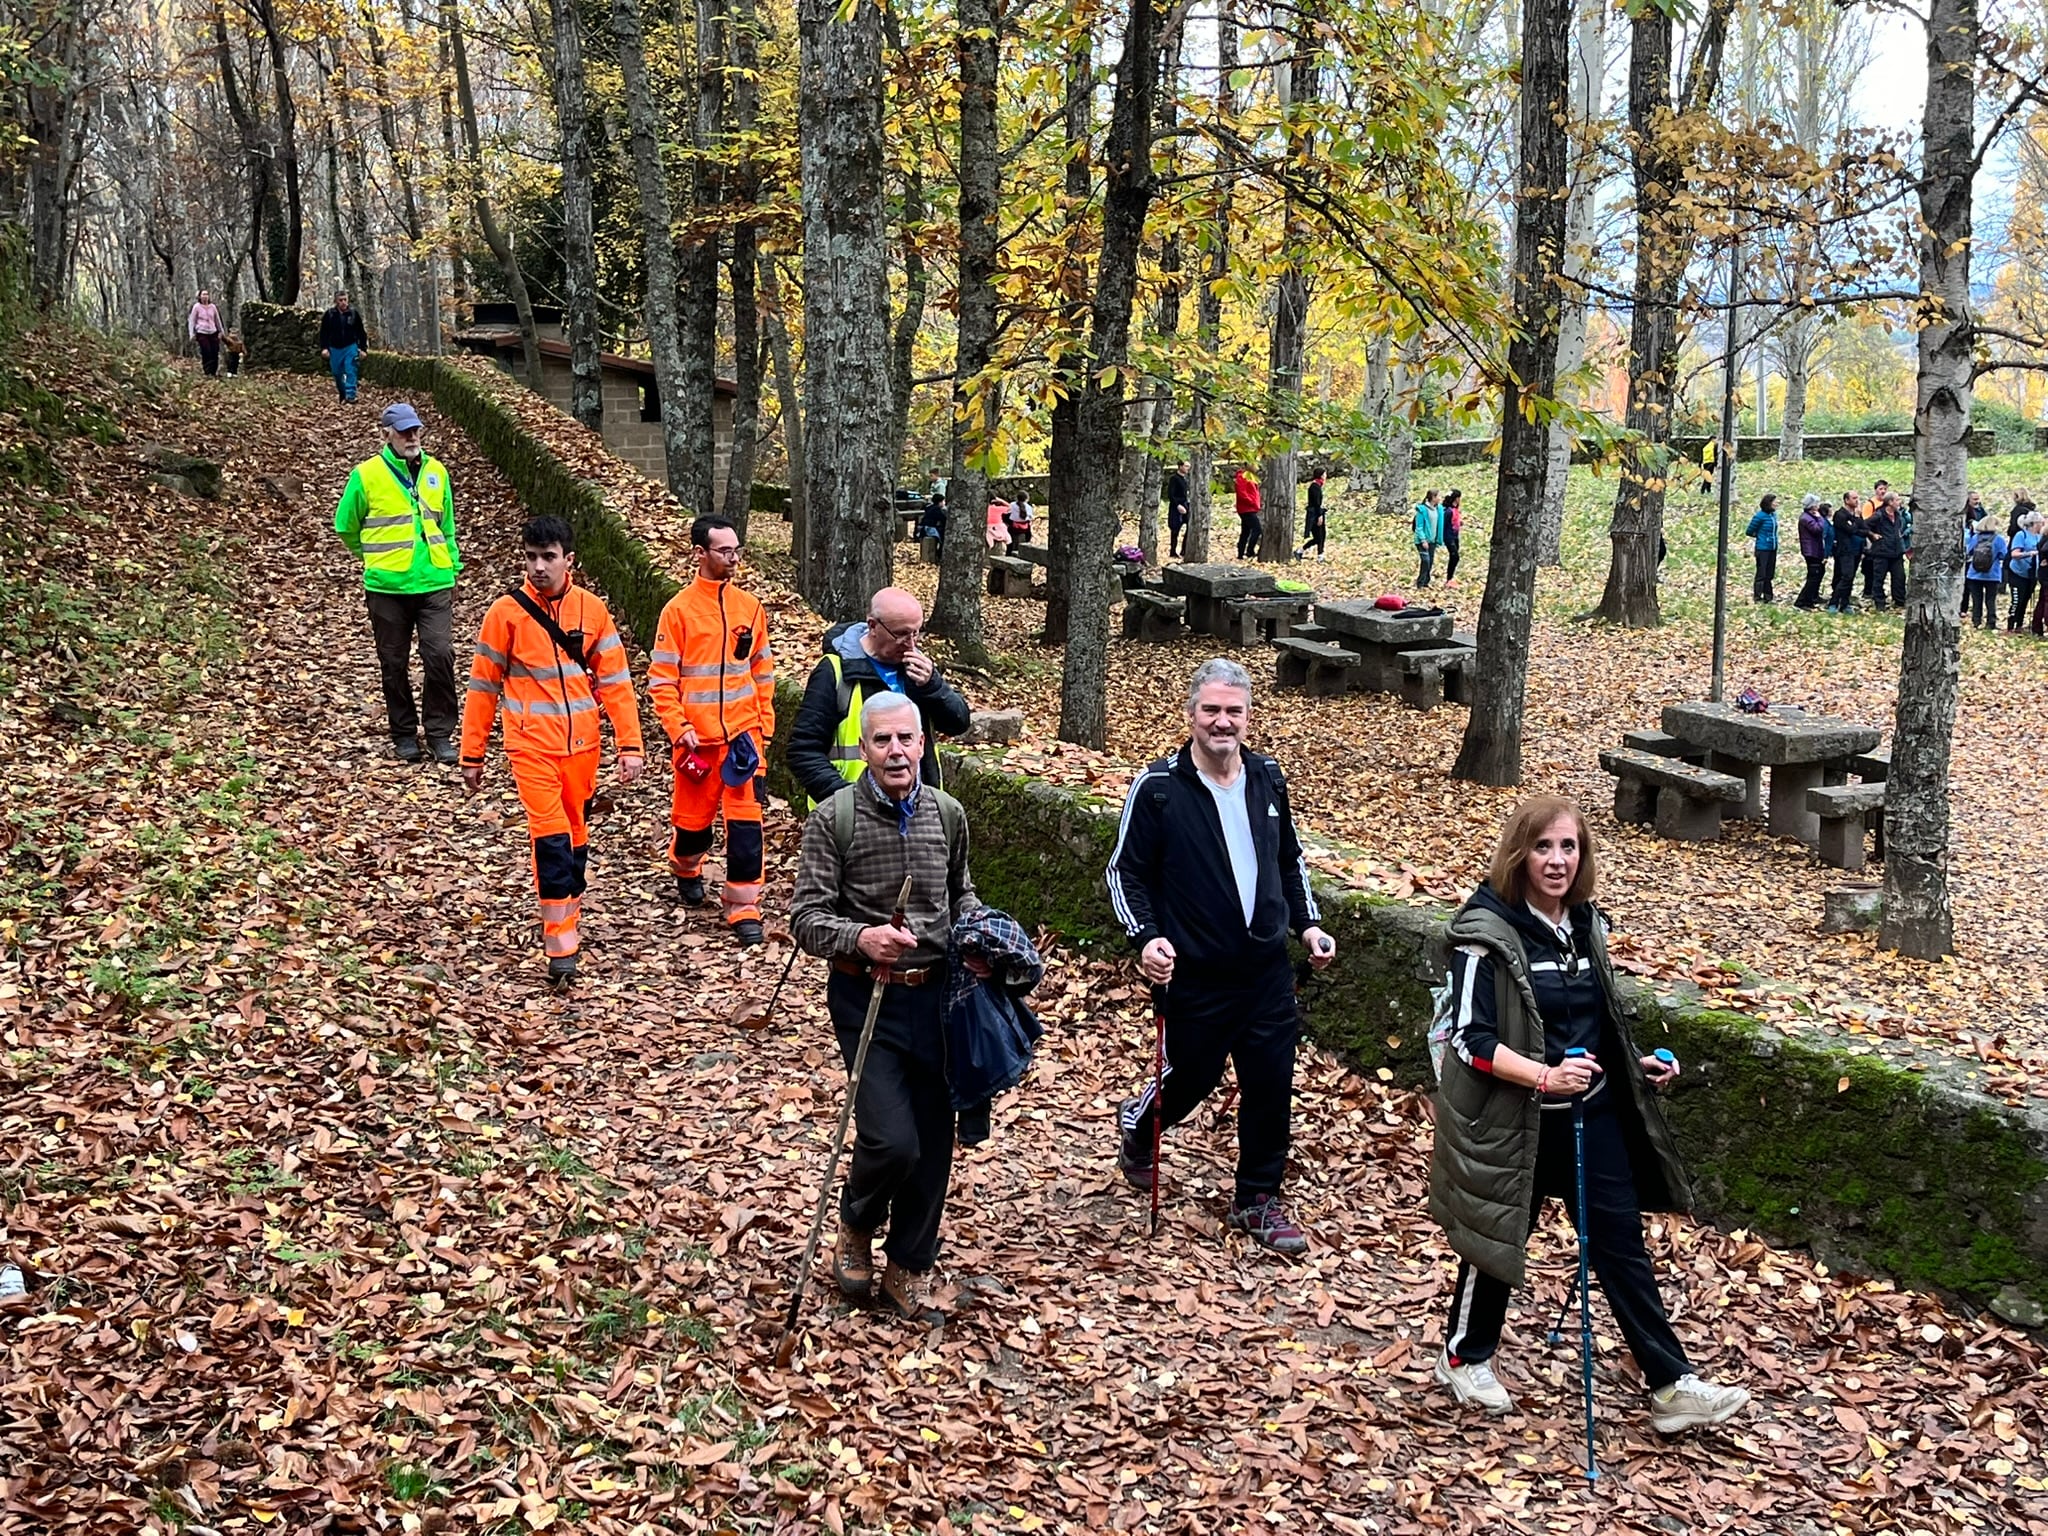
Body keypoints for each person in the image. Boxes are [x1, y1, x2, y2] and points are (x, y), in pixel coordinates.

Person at [1430, 796, 1750, 1435]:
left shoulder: (1585, 925)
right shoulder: (1484, 933)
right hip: (1514, 1115)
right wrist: (1544, 1076)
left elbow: (1597, 1021)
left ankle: (1671, 1385)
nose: (1557, 861)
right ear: (1520, 854)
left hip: (1590, 1114)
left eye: (1569, 848)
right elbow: (1470, 1037)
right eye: (1544, 847)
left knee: (1619, 1244)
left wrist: (1637, 1065)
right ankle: (1465, 1357)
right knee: (1498, 1236)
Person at [1107, 658, 1337, 1255]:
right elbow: (1125, 872)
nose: (1222, 722)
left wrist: (1309, 926)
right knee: (1194, 1075)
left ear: (1248, 716)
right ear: (1190, 715)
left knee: (1270, 1081)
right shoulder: (1158, 788)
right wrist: (1147, 937)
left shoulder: (1268, 778)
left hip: (1265, 971)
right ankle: (1142, 1124)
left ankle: (1257, 1197)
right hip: (1196, 973)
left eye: (1233, 711)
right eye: (1211, 710)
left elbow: (1290, 861)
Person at [790, 692, 983, 1324]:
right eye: (882, 741)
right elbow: (806, 920)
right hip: (864, 996)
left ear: (923, 743)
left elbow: (962, 897)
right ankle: (856, 1220)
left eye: (906, 739)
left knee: (933, 1142)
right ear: (865, 749)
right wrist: (862, 938)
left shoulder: (948, 814)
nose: (896, 751)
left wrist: (983, 940)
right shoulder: (835, 820)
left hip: (938, 999)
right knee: (892, 1140)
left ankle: (908, 1262)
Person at [459, 517, 645, 985]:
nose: (539, 566)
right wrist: (472, 753)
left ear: (569, 560)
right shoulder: (506, 614)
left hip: (583, 746)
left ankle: (569, 916)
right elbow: (483, 687)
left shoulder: (592, 611)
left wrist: (630, 744)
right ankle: (560, 945)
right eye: (531, 557)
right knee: (552, 836)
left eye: (548, 557)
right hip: (530, 746)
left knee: (576, 835)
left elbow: (617, 682)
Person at [647, 515, 777, 946]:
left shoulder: (750, 607)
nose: (734, 558)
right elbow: (662, 679)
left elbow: (762, 669)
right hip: (697, 744)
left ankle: (744, 909)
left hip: (743, 738)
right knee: (693, 828)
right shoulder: (678, 611)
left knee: (746, 831)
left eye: (737, 549)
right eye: (725, 550)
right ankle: (685, 866)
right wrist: (677, 726)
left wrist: (765, 726)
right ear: (700, 554)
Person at [334, 402, 462, 763]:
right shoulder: (366, 475)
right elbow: (346, 526)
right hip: (387, 587)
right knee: (393, 661)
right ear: (385, 434)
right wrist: (372, 558)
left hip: (434, 580)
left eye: (416, 429)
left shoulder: (437, 472)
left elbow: (446, 525)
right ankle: (404, 733)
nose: (411, 436)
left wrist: (452, 567)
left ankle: (439, 734)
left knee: (439, 655)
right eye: (404, 430)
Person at [789, 586, 972, 813]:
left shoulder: (917, 669)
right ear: (873, 626)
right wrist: (849, 801)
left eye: (916, 633)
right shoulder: (835, 671)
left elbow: (958, 723)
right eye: (901, 634)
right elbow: (803, 751)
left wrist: (933, 686)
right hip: (850, 818)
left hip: (919, 812)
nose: (911, 644)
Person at [318, 291, 369, 403]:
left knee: (350, 369)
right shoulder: (330, 315)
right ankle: (343, 393)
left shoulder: (353, 314)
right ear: (336, 301)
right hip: (335, 348)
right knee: (337, 373)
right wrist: (324, 348)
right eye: (340, 300)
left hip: (350, 346)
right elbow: (324, 333)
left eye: (345, 300)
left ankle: (351, 395)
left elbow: (361, 332)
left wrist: (363, 349)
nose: (343, 302)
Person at [1827, 491, 1867, 614]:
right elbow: (1851, 530)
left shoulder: (1856, 515)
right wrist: (1856, 521)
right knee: (1845, 576)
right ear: (1846, 500)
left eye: (1857, 498)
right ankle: (1833, 602)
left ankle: (1845, 603)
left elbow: (1864, 529)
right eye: (1854, 498)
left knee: (1850, 578)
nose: (1857, 500)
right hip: (1844, 550)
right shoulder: (1840, 515)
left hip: (1856, 551)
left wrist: (1858, 520)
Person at [1965, 517, 2008, 629]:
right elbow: (2004, 555)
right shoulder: (1999, 539)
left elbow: (1969, 552)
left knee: (1976, 599)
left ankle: (1976, 621)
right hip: (1992, 574)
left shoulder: (1975, 538)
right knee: (1990, 599)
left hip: (1974, 574)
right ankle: (1991, 622)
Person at [1865, 493, 1906, 611]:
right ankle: (1879, 603)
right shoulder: (1878, 515)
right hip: (1882, 552)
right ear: (1890, 502)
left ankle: (1899, 601)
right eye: (1897, 500)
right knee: (1879, 578)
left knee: (1899, 578)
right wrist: (1872, 535)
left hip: (1897, 552)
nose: (1900, 502)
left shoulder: (1898, 515)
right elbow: (1864, 525)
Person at [2006, 510, 2042, 632]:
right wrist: (2028, 554)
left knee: (2025, 599)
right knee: (2017, 600)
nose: (2042, 524)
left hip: (2031, 574)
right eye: (2040, 522)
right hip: (2017, 573)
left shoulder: (2039, 536)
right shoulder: (2021, 535)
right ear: (2034, 523)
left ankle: (2019, 625)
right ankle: (2010, 625)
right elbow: (2014, 554)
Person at [1794, 493, 1830, 610]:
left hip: (1816, 549)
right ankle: (1802, 601)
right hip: (1811, 551)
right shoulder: (1806, 518)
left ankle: (1812, 596)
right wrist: (1820, 518)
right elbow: (1818, 529)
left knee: (1819, 573)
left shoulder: (1810, 516)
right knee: (1813, 576)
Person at [1744, 493, 1779, 603]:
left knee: (1770, 573)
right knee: (1761, 573)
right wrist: (1760, 536)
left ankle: (1768, 596)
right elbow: (1749, 531)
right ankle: (1757, 596)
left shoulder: (1773, 515)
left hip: (1772, 548)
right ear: (1769, 503)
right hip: (1762, 548)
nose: (1777, 503)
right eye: (1775, 502)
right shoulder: (1760, 516)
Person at [188, 290, 223, 377]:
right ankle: (207, 371)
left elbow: (217, 320)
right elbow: (192, 320)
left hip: (213, 331)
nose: (205, 296)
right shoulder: (196, 307)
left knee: (214, 352)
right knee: (206, 351)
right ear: (199, 296)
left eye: (207, 294)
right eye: (203, 294)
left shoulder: (213, 307)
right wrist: (191, 333)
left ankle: (214, 372)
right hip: (202, 332)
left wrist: (221, 331)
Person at [1414, 489, 1444, 588]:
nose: (1440, 498)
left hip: (1433, 540)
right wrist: (1423, 540)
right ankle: (1420, 582)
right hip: (1422, 541)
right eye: (1439, 496)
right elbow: (1419, 527)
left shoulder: (1439, 509)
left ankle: (1426, 582)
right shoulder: (1422, 510)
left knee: (1430, 562)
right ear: (1433, 498)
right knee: (1425, 561)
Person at [1296, 471, 1327, 561]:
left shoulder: (1317, 486)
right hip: (1315, 514)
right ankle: (1302, 551)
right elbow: (1316, 503)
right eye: (1324, 474)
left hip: (1316, 513)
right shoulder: (1315, 487)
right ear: (1321, 475)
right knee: (1319, 536)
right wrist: (1320, 515)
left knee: (1321, 535)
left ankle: (1318, 554)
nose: (1326, 476)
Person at [1233, 468, 1263, 560]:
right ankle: (1250, 551)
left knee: (1245, 531)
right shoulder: (1242, 476)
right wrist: (1252, 502)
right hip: (1246, 508)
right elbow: (1242, 493)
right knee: (1257, 529)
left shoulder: (1250, 476)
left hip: (1250, 508)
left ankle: (1241, 553)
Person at [1167, 461, 1192, 559]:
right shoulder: (1174, 479)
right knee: (1175, 530)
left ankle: (1184, 550)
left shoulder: (1185, 479)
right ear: (1180, 466)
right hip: (1176, 506)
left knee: (1190, 527)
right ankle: (1173, 551)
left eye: (1188, 466)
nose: (1187, 468)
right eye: (1186, 466)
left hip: (1186, 505)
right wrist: (1177, 505)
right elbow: (1171, 494)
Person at [1441, 488, 1464, 586]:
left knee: (1454, 556)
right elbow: (1444, 524)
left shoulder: (1455, 509)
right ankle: (1449, 578)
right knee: (1455, 556)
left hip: (1455, 536)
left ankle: (1450, 577)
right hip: (1449, 536)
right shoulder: (1448, 511)